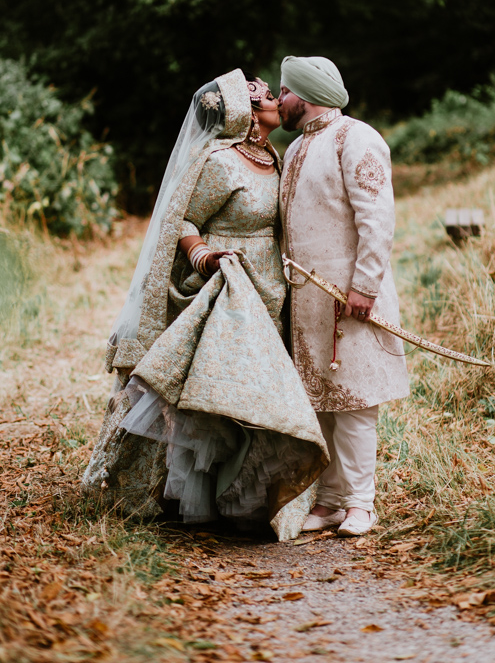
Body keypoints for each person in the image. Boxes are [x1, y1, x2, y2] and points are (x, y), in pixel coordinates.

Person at [82, 68, 327, 540]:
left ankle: (250, 499)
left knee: (255, 388)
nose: (272, 93)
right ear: (246, 113)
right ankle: (202, 501)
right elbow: (185, 219)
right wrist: (204, 256)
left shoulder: (272, 156)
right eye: (261, 93)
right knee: (214, 395)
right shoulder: (220, 162)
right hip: (225, 283)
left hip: (269, 286)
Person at [278, 55, 409, 537]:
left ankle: (361, 503)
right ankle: (331, 500)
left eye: (285, 91)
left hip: (350, 297)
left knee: (356, 401)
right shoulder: (294, 149)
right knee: (322, 400)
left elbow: (377, 219)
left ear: (306, 96)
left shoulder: (357, 138)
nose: (279, 99)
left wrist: (364, 287)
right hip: (307, 302)